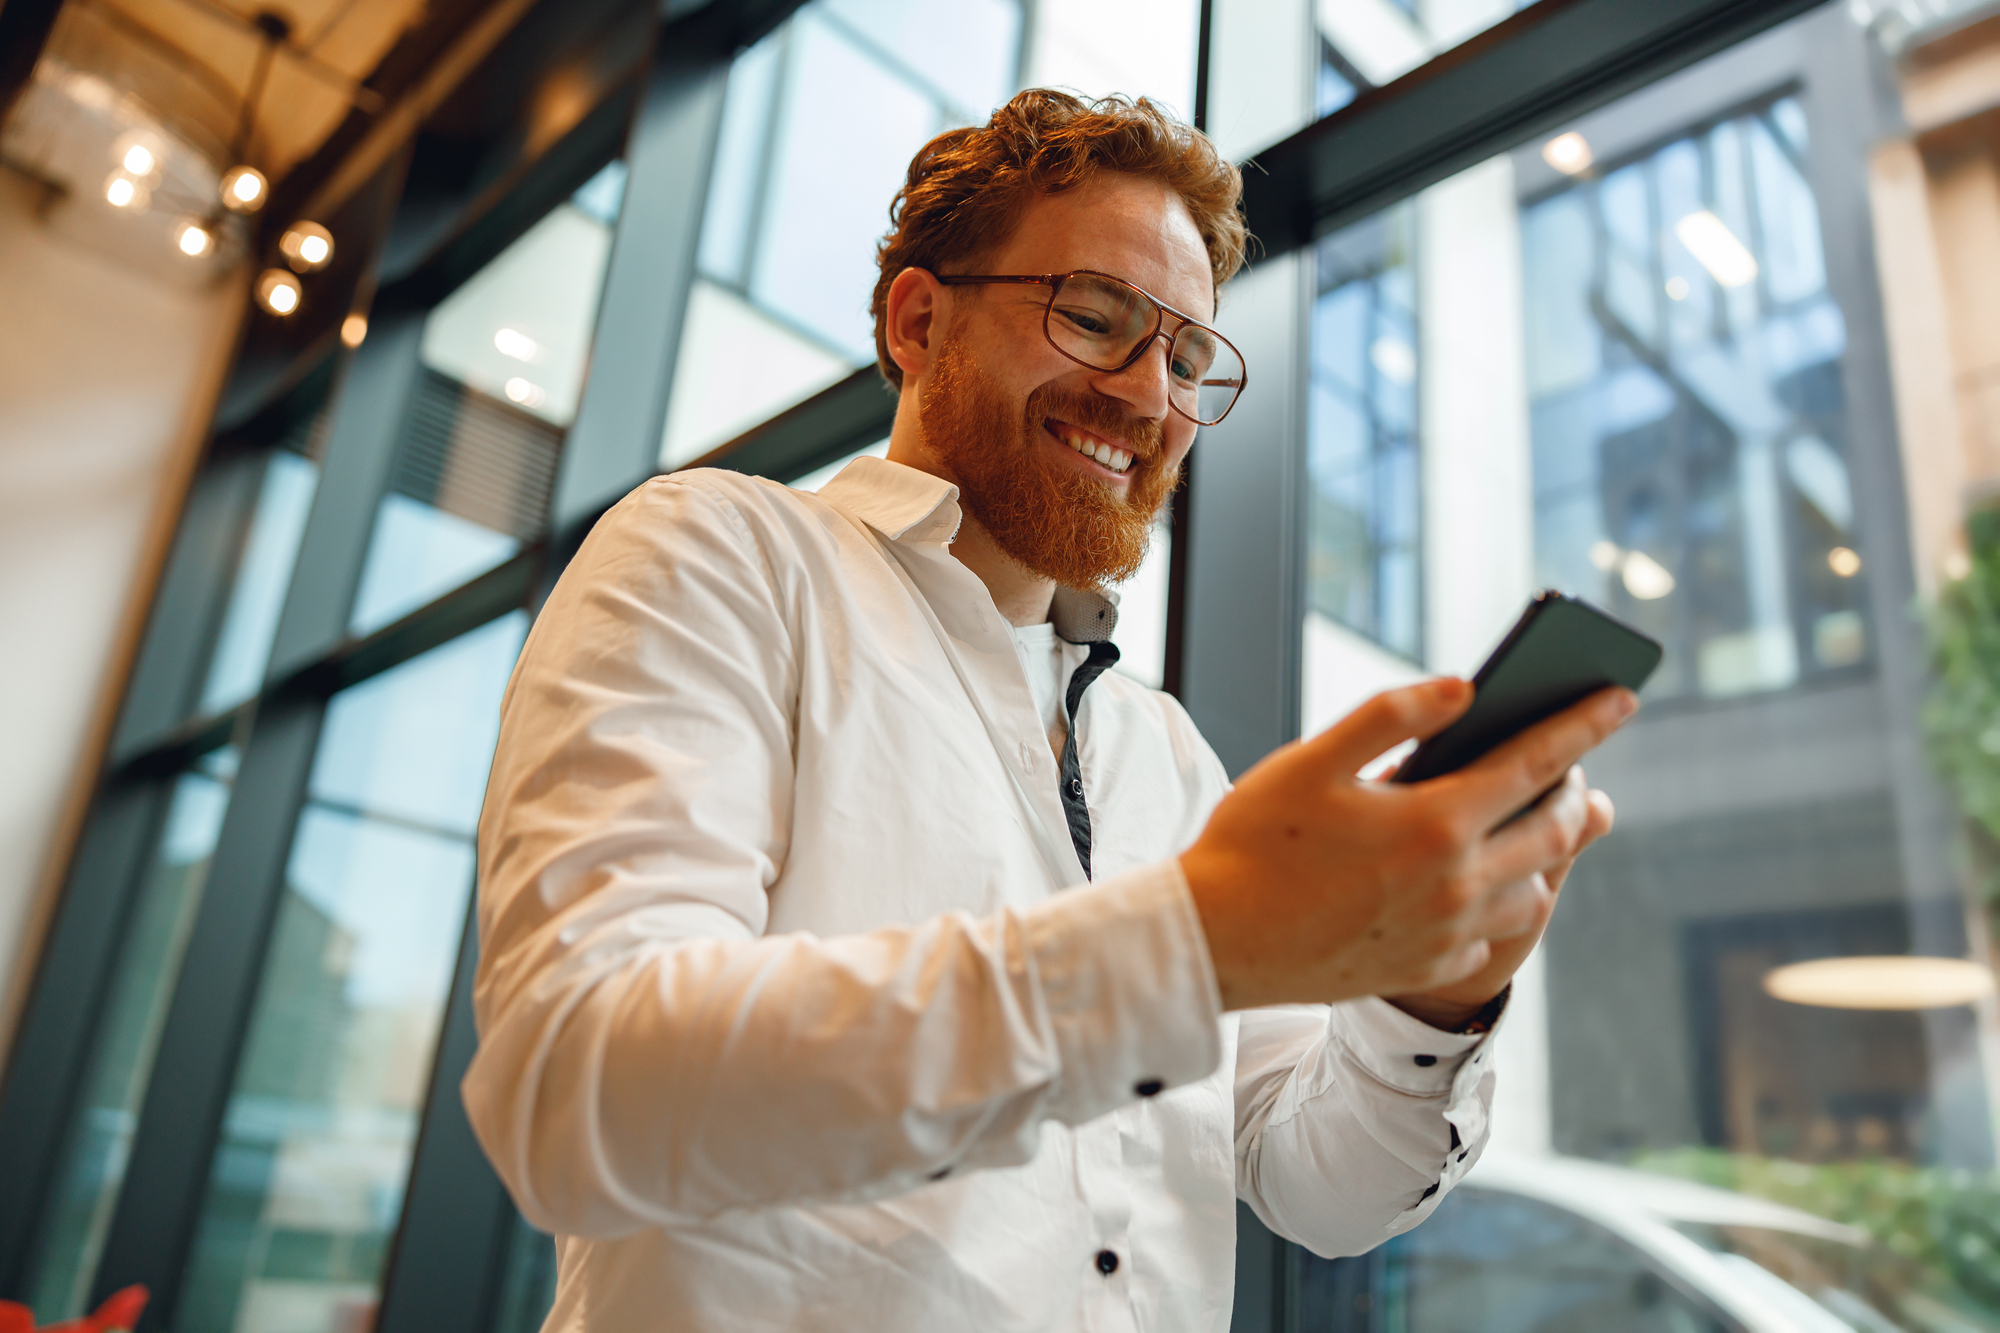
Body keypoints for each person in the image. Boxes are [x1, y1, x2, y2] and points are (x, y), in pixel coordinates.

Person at [462, 89, 1632, 1332]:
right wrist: (1187, 944)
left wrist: (1433, 998)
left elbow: (1320, 1189)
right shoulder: (722, 555)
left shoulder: (1165, 754)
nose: (1149, 397)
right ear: (919, 321)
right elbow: (579, 1091)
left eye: (1186, 359)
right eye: (1093, 319)